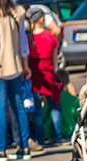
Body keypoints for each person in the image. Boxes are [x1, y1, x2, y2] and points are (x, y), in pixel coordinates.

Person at [0, 0, 31, 161]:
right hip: (16, 65)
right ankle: (24, 146)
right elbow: (23, 42)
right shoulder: (18, 12)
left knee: (1, 109)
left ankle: (1, 149)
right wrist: (25, 65)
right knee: (18, 107)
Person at [27, 8, 63, 146]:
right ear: (41, 19)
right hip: (49, 75)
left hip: (34, 77)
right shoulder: (50, 37)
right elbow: (55, 61)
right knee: (55, 106)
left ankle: (40, 138)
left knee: (37, 109)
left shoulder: (29, 39)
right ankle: (57, 136)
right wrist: (55, 73)